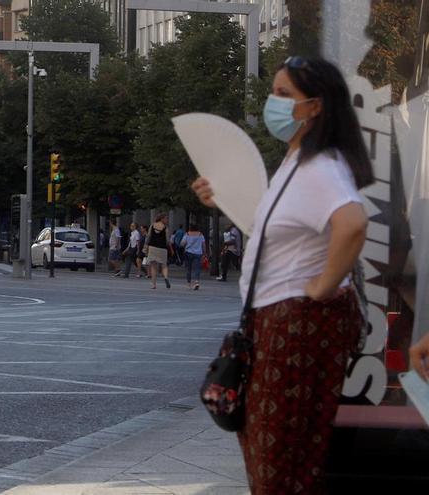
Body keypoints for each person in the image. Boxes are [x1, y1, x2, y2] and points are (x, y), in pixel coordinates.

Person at [191, 56, 374, 494]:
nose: (273, 103)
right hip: (279, 322)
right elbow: (278, 229)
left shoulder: (320, 168)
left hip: (297, 326)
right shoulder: (297, 162)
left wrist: (321, 287)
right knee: (269, 450)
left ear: (314, 107)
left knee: (281, 460)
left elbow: (352, 224)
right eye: (273, 91)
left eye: (283, 95)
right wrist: (224, 198)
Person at [181, 223, 207, 290]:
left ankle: (189, 283)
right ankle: (197, 282)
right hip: (198, 253)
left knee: (188, 268)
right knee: (197, 268)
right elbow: (203, 245)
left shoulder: (187, 234)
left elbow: (182, 243)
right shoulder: (200, 235)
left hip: (188, 252)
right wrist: (204, 253)